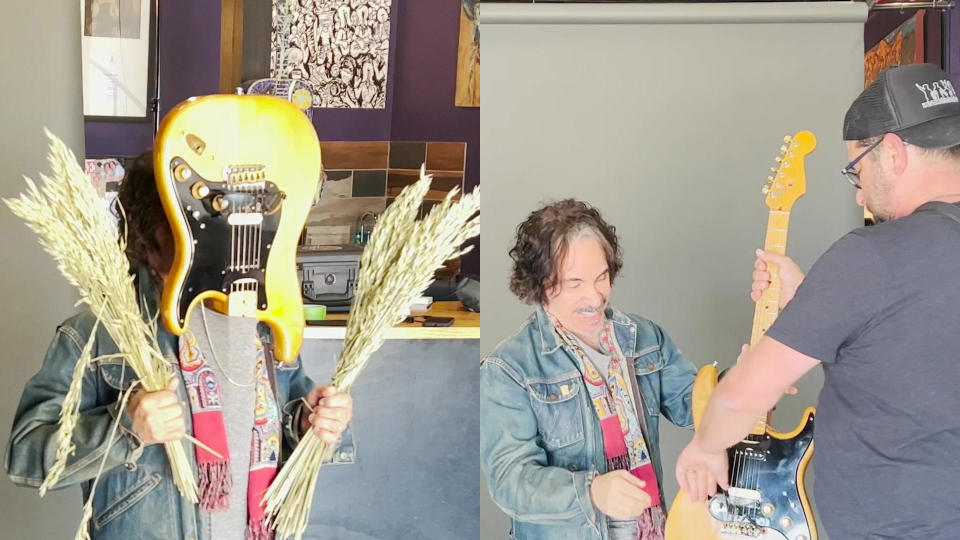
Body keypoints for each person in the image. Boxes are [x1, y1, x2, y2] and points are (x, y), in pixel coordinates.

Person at [675, 63, 960, 539]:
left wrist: (704, 446)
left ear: (891, 153)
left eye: (856, 169)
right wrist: (811, 303)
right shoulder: (881, 269)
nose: (860, 192)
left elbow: (747, 393)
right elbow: (912, 351)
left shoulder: (871, 258)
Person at [5, 151, 353, 540]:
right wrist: (125, 429)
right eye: (190, 216)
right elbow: (25, 457)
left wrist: (313, 421)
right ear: (149, 232)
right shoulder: (99, 331)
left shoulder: (262, 320)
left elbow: (291, 418)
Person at [480, 199, 697, 540]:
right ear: (540, 284)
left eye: (602, 277)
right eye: (574, 283)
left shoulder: (645, 338)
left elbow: (696, 405)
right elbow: (510, 481)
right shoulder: (509, 369)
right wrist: (592, 491)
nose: (595, 297)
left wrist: (747, 382)